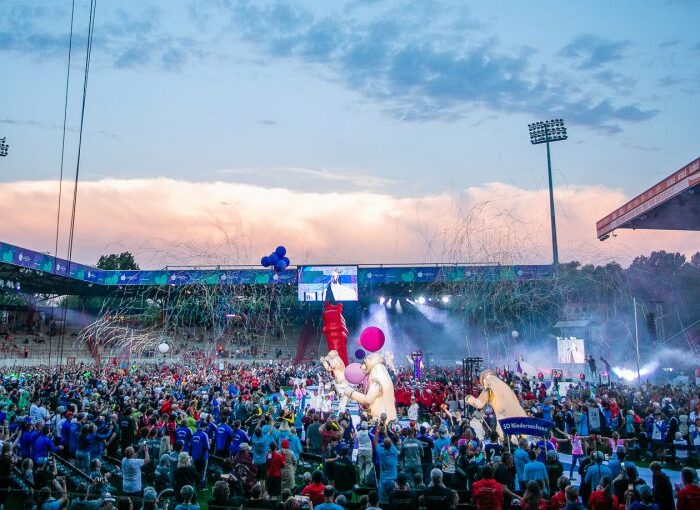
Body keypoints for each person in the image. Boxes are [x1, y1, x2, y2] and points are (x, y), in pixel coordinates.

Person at [376, 434, 399, 504]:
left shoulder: (381, 451)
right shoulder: (394, 450)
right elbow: (390, 443)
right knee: (393, 501)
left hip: (383, 480)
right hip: (393, 479)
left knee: (383, 501)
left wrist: (378, 431)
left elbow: (375, 442)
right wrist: (385, 433)